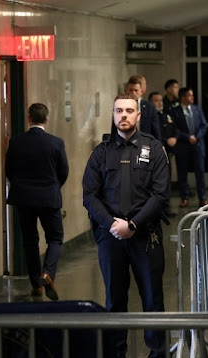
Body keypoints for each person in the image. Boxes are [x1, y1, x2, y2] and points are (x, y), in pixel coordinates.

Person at [82, 93, 170, 358]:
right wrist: (112, 225)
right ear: (113, 115)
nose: (124, 115)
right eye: (119, 111)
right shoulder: (101, 153)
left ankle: (157, 353)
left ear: (138, 115)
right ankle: (115, 353)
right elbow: (89, 195)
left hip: (146, 236)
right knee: (115, 301)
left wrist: (132, 224)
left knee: (153, 299)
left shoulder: (154, 150)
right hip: (111, 238)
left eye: (129, 111)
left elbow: (160, 195)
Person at [6, 103, 69, 301]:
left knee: (29, 241)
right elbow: (63, 170)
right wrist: (53, 186)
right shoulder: (55, 142)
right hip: (49, 197)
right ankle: (47, 274)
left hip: (24, 198)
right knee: (55, 238)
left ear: (29, 118)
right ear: (46, 119)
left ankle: (36, 285)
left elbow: (9, 170)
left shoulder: (16, 142)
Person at [172, 87, 208, 207]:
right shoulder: (175, 111)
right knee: (182, 172)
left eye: (192, 95)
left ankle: (202, 198)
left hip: (197, 144)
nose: (192, 97)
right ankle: (184, 198)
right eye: (189, 95)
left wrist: (196, 137)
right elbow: (174, 129)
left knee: (200, 172)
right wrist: (188, 137)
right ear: (183, 97)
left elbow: (204, 126)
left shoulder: (197, 109)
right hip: (183, 145)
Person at [149, 91, 178, 218]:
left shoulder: (166, 115)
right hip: (154, 152)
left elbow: (175, 129)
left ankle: (166, 207)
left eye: (161, 100)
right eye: (156, 100)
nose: (160, 103)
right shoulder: (148, 117)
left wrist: (174, 138)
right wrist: (166, 140)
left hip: (167, 152)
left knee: (166, 181)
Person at [125, 75, 162, 142]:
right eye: (130, 90)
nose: (133, 93)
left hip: (144, 142)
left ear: (141, 91)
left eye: (136, 90)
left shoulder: (149, 107)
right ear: (126, 90)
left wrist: (158, 146)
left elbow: (156, 130)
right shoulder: (121, 106)